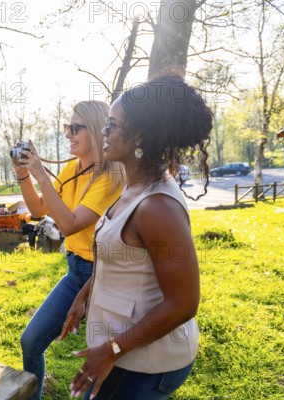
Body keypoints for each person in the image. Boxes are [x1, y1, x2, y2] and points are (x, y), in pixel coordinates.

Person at [67, 73, 212, 399]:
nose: (103, 132)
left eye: (113, 125)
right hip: (124, 353)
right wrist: (84, 295)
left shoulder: (157, 206)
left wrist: (112, 350)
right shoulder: (134, 186)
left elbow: (184, 302)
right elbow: (121, 255)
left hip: (143, 363)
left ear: (141, 136)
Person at [12, 101, 125, 399]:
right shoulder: (73, 168)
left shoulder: (110, 177)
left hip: (102, 277)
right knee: (31, 340)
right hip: (76, 271)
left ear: (98, 130)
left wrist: (41, 175)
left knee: (99, 366)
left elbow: (71, 224)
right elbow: (38, 208)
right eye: (67, 128)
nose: (69, 135)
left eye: (76, 129)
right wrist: (24, 175)